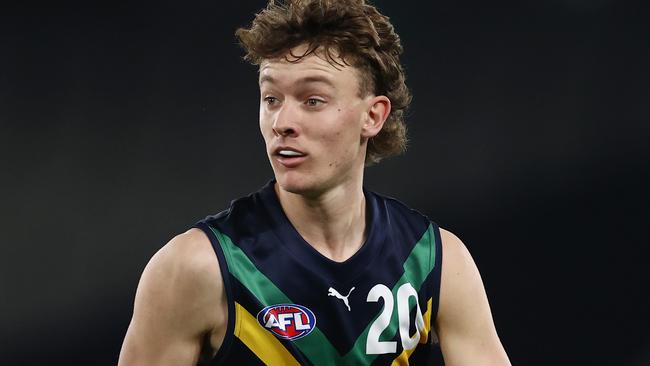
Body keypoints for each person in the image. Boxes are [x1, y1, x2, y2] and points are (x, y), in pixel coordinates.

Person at [118, 0, 511, 365]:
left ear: (373, 116)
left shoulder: (434, 261)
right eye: (271, 98)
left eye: (312, 100)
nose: (282, 123)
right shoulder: (197, 267)